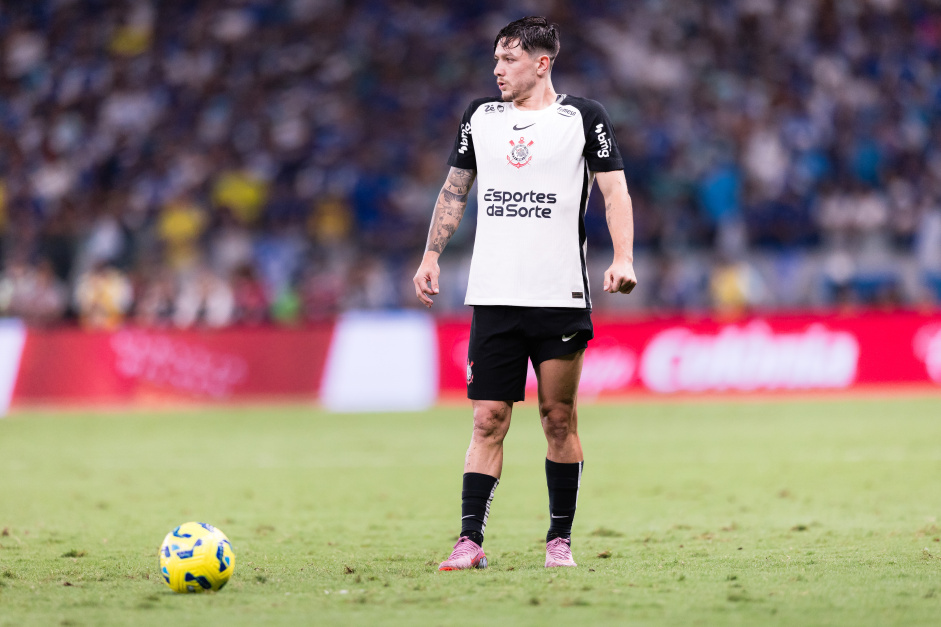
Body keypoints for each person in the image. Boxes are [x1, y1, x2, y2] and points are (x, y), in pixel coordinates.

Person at [412, 16, 637, 570]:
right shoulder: (480, 118)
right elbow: (453, 189)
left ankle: (558, 540)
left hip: (559, 295)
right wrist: (431, 254)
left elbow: (615, 192)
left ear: (542, 63)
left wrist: (624, 257)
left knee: (558, 417)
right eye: (495, 60)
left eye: (508, 59)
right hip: (493, 296)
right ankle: (470, 541)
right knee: (488, 417)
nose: (497, 70)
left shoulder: (584, 118)